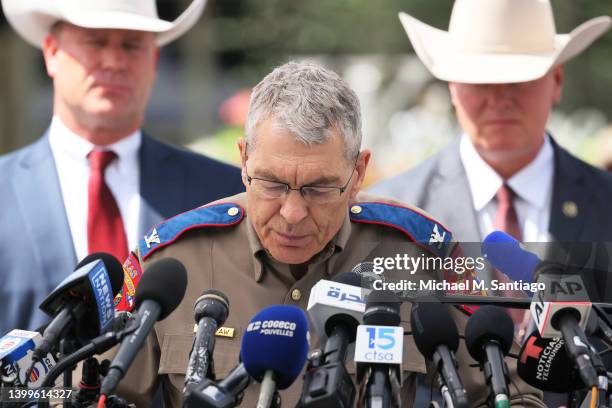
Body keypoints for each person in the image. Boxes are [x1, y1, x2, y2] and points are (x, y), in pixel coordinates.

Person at [109, 61, 545, 407]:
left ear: (358, 173)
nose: (293, 212)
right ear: (243, 161)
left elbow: (511, 395)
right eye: (273, 184)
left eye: (319, 188)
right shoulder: (170, 262)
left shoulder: (420, 256)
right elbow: (89, 394)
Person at [370, 1, 612, 405]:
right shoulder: (395, 212)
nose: (499, 98)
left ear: (556, 80)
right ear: (451, 86)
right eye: (480, 80)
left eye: (519, 80)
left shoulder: (607, 202)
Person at [0, 0, 244, 335]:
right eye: (95, 41)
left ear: (154, 60)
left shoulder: (222, 194)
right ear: (52, 51)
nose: (114, 61)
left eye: (131, 45)